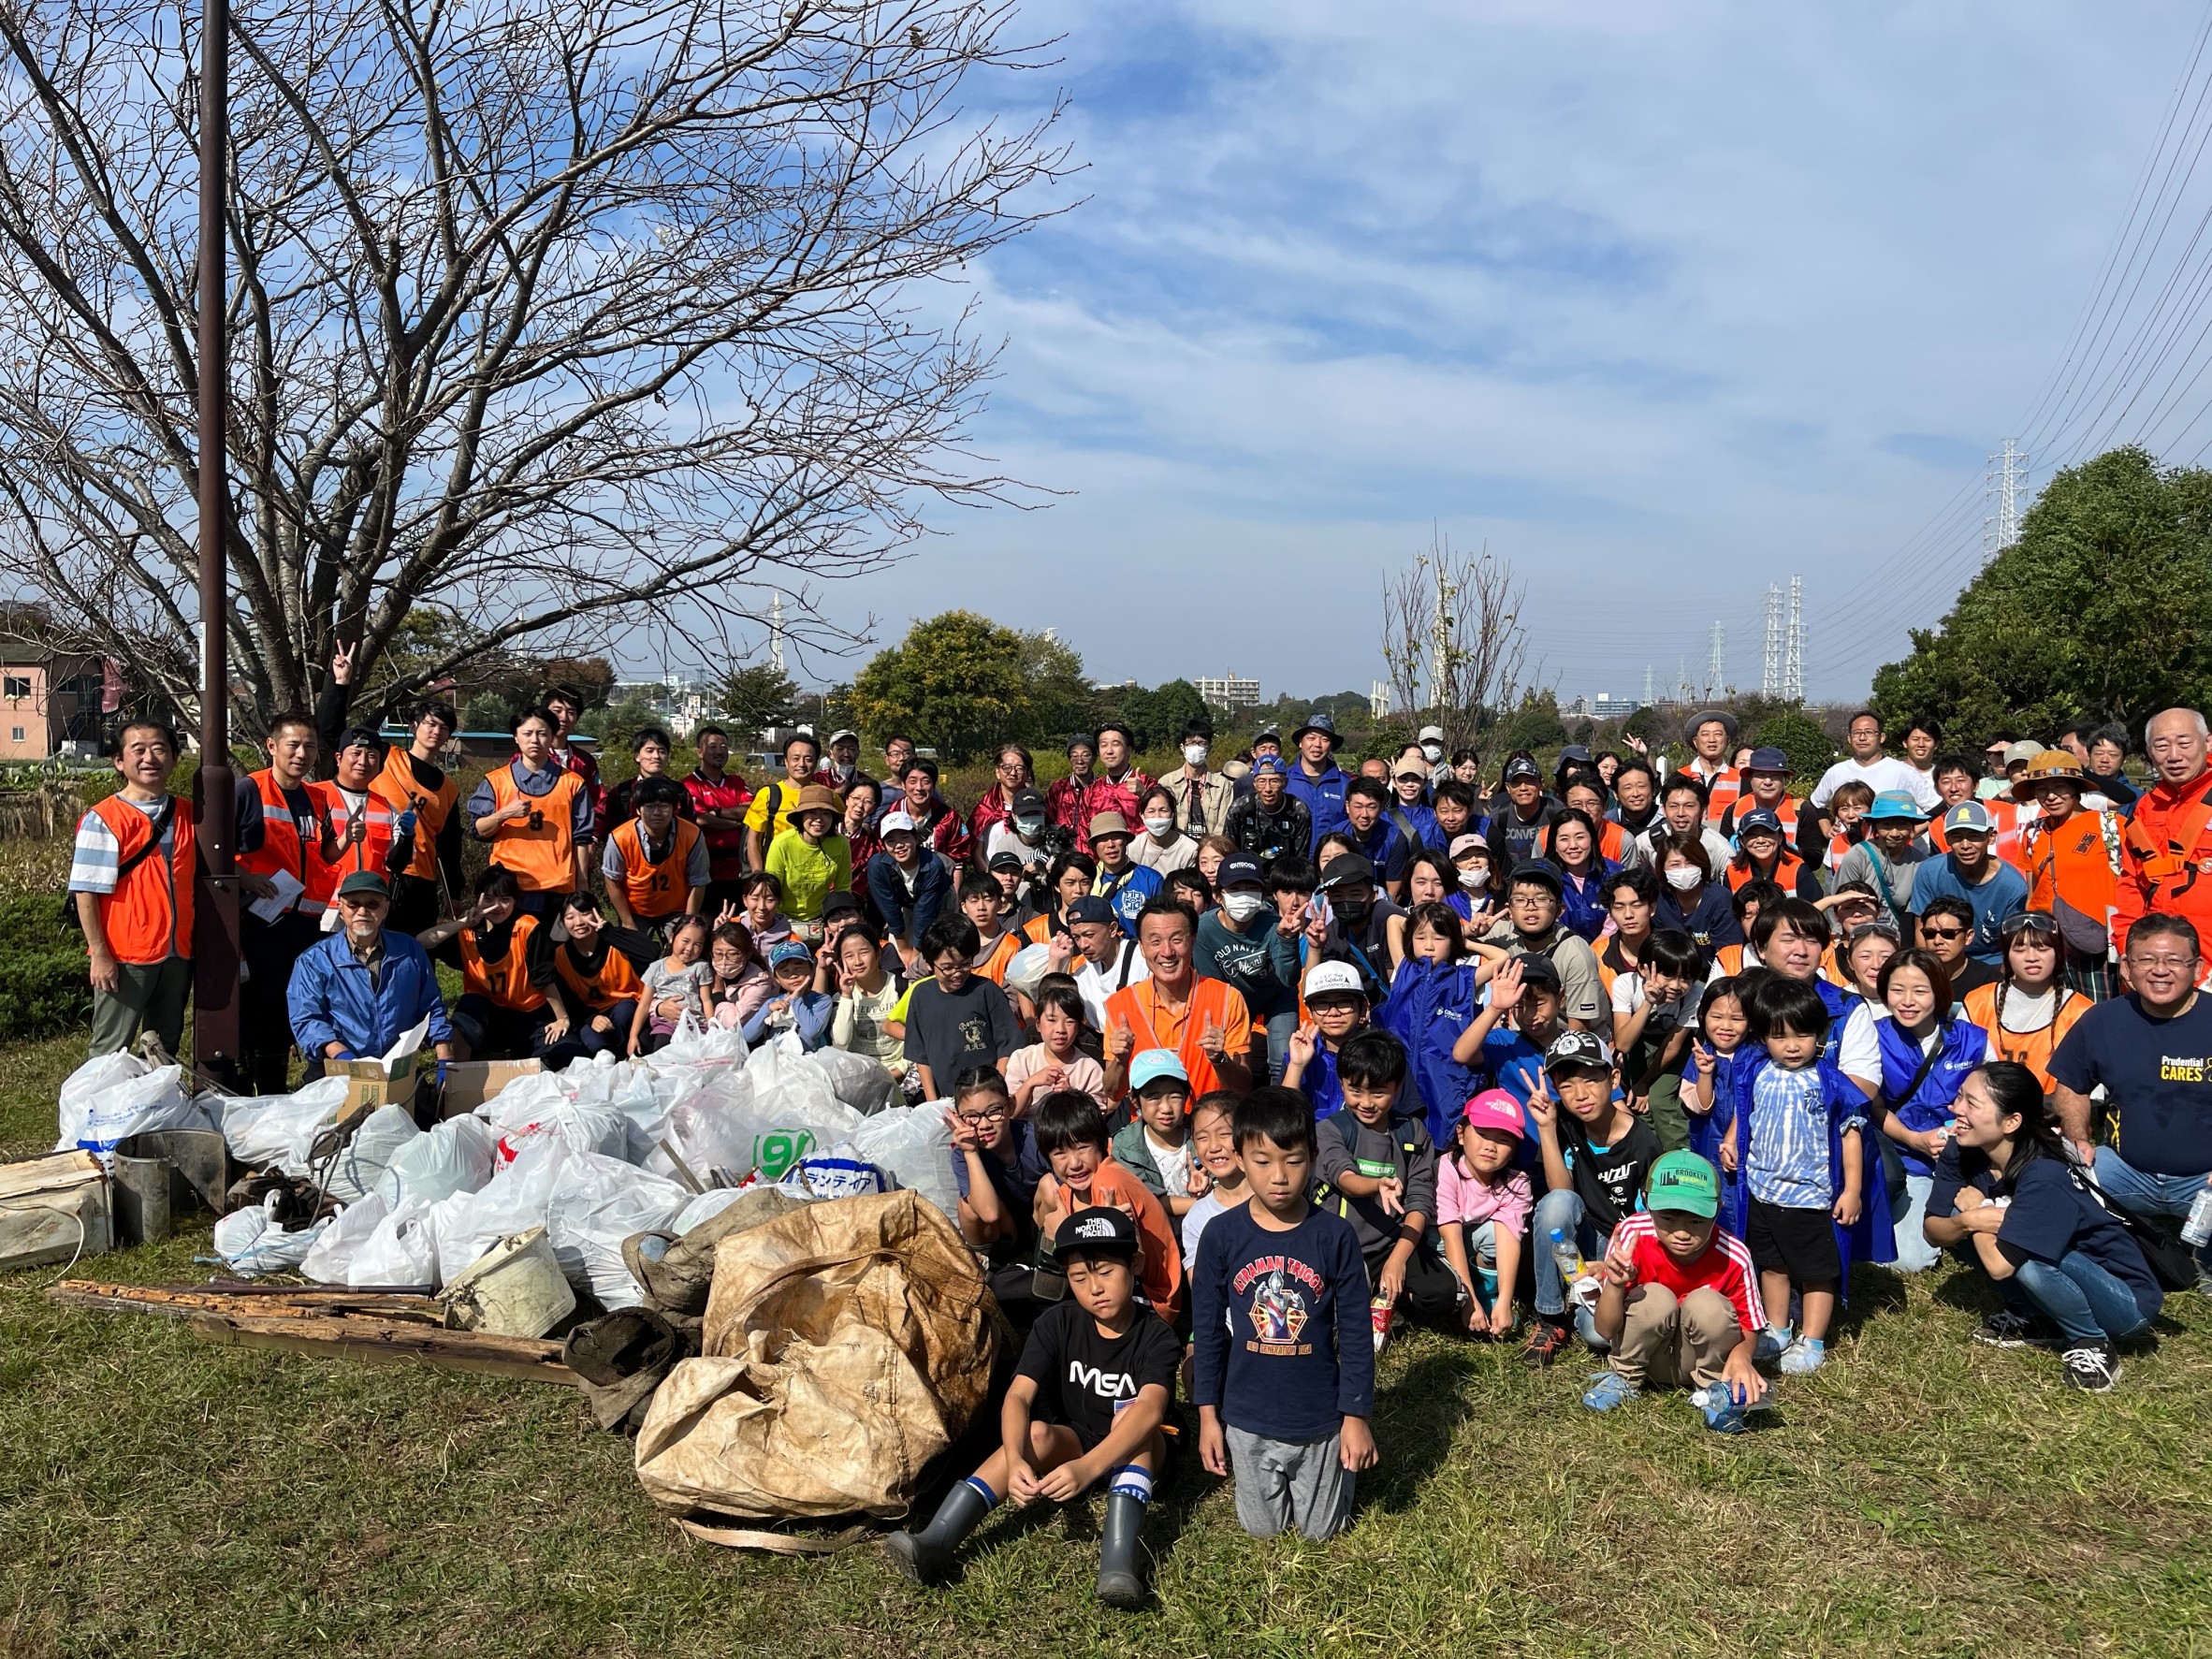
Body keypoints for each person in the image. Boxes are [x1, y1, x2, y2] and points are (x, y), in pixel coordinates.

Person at [882, 1202, 1176, 1608]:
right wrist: (1019, 1458)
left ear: (1135, 1264)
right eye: (1079, 1277)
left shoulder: (1156, 1336)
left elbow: (1151, 1410)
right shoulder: (1057, 1322)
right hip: (1079, 1439)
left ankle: (1118, 1566)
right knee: (1034, 1432)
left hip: (1140, 1455)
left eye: (1106, 1271)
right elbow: (1019, 1396)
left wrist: (1088, 1468)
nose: (1095, 1288)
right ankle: (936, 1540)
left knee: (1133, 1421)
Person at [1191, 1086, 1375, 1541]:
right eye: (1261, 1160)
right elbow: (1209, 1332)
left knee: (1321, 1534)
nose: (1278, 1177)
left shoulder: (1334, 1236)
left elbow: (1355, 1332)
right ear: (1238, 1156)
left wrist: (1356, 1418)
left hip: (1318, 1419)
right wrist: (1208, 1417)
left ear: (1313, 1157)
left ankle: (1338, 1471)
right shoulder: (1220, 1235)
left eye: (1293, 1161)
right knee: (1263, 1533)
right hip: (1247, 1417)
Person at [1924, 1062, 2161, 1392]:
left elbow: (1999, 1266)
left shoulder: (2043, 1174)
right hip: (2060, 1269)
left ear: (2011, 1121)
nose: (1955, 1109)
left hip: (2124, 1301)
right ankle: (2034, 1313)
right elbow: (1933, 1230)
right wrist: (1965, 1220)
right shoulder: (1961, 1149)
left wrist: (1978, 1212)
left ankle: (2093, 1344)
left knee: (2028, 1262)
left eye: (1971, 1103)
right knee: (1957, 1217)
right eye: (1959, 1097)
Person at [69, 718, 257, 1057]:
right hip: (126, 955)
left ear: (173, 758)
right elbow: (85, 891)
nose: (149, 758)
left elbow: (211, 865)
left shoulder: (188, 813)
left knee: (164, 1043)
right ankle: (97, 1108)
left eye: (159, 749)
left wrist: (252, 879)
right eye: (138, 750)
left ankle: (154, 1108)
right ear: (119, 761)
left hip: (177, 952)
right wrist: (99, 953)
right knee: (111, 1048)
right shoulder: (104, 818)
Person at [1732, 974, 1889, 1376]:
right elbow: (1743, 1111)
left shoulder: (1831, 1081)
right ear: (1762, 1036)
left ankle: (1814, 1339)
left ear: (1819, 1034)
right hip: (1763, 1190)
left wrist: (1852, 1189)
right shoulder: (1755, 1070)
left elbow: (1851, 1136)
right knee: (1772, 1265)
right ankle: (1778, 1328)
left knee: (1817, 1271)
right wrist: (1733, 1139)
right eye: (1779, 1036)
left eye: (1802, 1035)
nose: (1792, 1045)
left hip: (1811, 1196)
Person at [2046, 912, 2212, 1285]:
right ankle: (2111, 1250)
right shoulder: (2102, 1019)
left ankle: (2200, 1261)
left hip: (2204, 1180)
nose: (2160, 971)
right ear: (2126, 967)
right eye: (2147, 960)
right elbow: (2071, 1085)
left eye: (2174, 960)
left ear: (2198, 967)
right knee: (2054, 1178)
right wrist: (2078, 1139)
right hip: (2125, 1170)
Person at [1580, 1152, 1769, 1432]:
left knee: (1707, 1304)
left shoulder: (1735, 1256)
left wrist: (1741, 1358)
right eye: (1668, 1218)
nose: (1681, 1232)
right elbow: (1605, 1330)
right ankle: (1624, 1378)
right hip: (1645, 1357)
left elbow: (1749, 1325)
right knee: (1653, 1297)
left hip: (1704, 1362)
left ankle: (1715, 1392)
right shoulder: (1631, 1236)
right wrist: (1615, 1285)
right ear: (1646, 1204)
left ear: (1717, 1210)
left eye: (1696, 1221)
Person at [1521, 1029, 1663, 1366]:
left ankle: (1586, 1303)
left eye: (1590, 1080)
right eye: (1566, 1084)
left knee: (1598, 1335)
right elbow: (1562, 1195)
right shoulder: (1564, 1123)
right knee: (1555, 1205)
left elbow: (1648, 1227)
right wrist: (1546, 1128)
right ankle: (1550, 1318)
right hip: (1584, 1235)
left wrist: (1614, 1268)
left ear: (1613, 1078)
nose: (1580, 1094)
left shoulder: (1645, 1143)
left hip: (1622, 1250)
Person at [1312, 1029, 1461, 1339]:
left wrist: (1398, 1259)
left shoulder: (1413, 1131)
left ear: (1398, 1087)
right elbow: (1345, 1178)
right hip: (1342, 1247)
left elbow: (1420, 1201)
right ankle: (1368, 1298)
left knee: (1446, 1293)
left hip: (1393, 1241)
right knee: (1333, 1329)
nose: (1366, 1103)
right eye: (1355, 1091)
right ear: (1342, 1084)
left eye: (1378, 1093)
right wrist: (1376, 1184)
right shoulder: (1330, 1129)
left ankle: (1393, 1298)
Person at [1848, 949, 1989, 1273]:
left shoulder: (1972, 1040)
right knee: (1908, 1260)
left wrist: (1959, 1129)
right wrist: (1914, 1139)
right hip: (1903, 1158)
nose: (1907, 1001)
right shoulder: (1871, 1035)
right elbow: (1874, 1107)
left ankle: (1957, 1211)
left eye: (1920, 991)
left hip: (1960, 1156)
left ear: (1939, 992)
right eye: (1897, 990)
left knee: (1919, 1253)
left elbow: (1994, 1100)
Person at [234, 710, 327, 1089]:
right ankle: (239, 1091)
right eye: (293, 744)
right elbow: (212, 852)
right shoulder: (248, 789)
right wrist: (248, 879)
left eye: (309, 746)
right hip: (253, 918)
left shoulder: (317, 797)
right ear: (272, 746)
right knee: (248, 1009)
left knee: (280, 1009)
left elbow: (323, 854)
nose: (301, 753)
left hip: (301, 921)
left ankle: (273, 1091)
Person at [1032, 1089, 1184, 1319]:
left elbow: (1125, 1269)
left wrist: (1064, 1233)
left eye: (1082, 1147)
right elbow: (1049, 1285)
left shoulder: (1109, 1181)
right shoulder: (1066, 1192)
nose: (1074, 1163)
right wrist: (1053, 1235)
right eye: (1060, 1153)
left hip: (1152, 1301)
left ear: (1103, 1144)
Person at [286, 872, 453, 1070]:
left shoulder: (410, 951)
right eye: (353, 904)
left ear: (386, 909)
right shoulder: (314, 960)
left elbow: (432, 1007)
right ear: (340, 908)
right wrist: (342, 1056)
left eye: (372, 904)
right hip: (337, 1064)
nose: (362, 911)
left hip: (399, 1067)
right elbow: (306, 1018)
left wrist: (445, 1058)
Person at [1103, 898, 1256, 1101]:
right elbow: (1113, 1093)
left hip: (1210, 1127)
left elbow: (1243, 1089)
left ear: (1192, 941)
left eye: (1176, 939)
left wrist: (1220, 1059)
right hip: (1149, 1129)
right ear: (1141, 946)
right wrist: (1121, 1061)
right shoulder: (1120, 1005)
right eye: (1155, 941)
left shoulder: (1227, 998)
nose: (1167, 952)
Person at [2011, 749, 2124, 998]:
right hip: (2047, 940)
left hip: (2097, 942)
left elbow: (2130, 884)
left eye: (2060, 787)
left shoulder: (2111, 826)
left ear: (2076, 788)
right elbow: (2032, 890)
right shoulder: (2033, 832)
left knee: (2098, 1014)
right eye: (2041, 790)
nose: (2050, 796)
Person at [416, 869, 556, 1060]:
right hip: (488, 1019)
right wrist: (463, 923)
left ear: (516, 900)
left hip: (530, 1015)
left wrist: (563, 1018)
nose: (497, 907)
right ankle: (455, 1076)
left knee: (558, 1054)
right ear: (477, 900)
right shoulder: (468, 934)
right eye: (489, 899)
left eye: (505, 899)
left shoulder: (528, 928)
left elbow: (545, 979)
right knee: (468, 1006)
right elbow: (422, 941)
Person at [470, 706, 593, 910]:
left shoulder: (572, 783)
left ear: (553, 737)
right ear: (516, 738)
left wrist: (582, 884)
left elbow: (582, 838)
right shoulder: (496, 781)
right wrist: (506, 813)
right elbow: (478, 830)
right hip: (508, 888)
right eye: (527, 733)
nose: (534, 740)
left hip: (557, 887)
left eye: (542, 733)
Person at [1434, 1090, 1534, 1339]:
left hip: (1474, 1244)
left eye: (1503, 1139)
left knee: (1497, 1235)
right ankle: (1467, 1296)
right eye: (1482, 1134)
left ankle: (1489, 1295)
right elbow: (1450, 1235)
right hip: (1439, 1244)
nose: (1490, 1146)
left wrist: (1505, 1300)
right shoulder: (1445, 1168)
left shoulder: (1518, 1182)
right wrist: (1468, 1301)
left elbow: (1509, 1238)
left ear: (1513, 1149)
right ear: (1461, 1134)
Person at [1197, 853, 1302, 1081]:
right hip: (1231, 999)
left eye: (1251, 888)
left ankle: (1281, 1109)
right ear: (1218, 895)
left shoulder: (1275, 924)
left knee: (1283, 1061)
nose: (1243, 895)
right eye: (1235, 889)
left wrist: (1287, 940)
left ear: (1263, 895)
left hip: (1277, 997)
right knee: (1234, 1059)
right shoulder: (1203, 930)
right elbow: (1213, 986)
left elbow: (1288, 979)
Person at [1963, 912, 2088, 1091]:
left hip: (2051, 1115)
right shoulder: (1977, 1003)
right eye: (2019, 949)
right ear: (2006, 955)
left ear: (2058, 953)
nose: (2031, 957)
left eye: (2042, 948)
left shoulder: (2080, 1011)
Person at [1609, 928, 1708, 1153]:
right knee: (1638, 1106)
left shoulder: (1696, 994)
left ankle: (1679, 1155)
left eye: (1686, 978)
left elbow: (1673, 1044)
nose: (1676, 985)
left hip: (1671, 1053)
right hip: (1636, 1049)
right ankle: (1651, 1158)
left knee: (1661, 1101)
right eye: (1668, 975)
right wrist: (1647, 1003)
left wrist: (1645, 1081)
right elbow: (1623, 1043)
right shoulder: (1626, 984)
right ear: (1644, 968)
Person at [375, 695, 464, 936]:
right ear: (414, 726)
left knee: (420, 951)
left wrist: (454, 894)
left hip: (422, 880)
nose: (437, 731)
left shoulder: (449, 790)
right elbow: (339, 734)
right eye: (430, 724)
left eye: (444, 728)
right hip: (382, 870)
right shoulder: (385, 758)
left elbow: (450, 846)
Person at [1480, 862, 1608, 1029]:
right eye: (1520, 900)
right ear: (1509, 910)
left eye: (1541, 899)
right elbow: (1444, 941)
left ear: (1559, 910)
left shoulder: (1576, 954)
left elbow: (1580, 1029)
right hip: (1526, 1031)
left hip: (1571, 1039)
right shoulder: (1502, 932)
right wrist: (1471, 932)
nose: (1530, 907)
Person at [1910, 802, 2030, 967]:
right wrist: (1927, 971)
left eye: (1974, 836)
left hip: (1991, 962)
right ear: (1947, 839)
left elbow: (2013, 942)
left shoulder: (2012, 885)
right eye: (1957, 837)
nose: (1965, 845)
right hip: (1940, 959)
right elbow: (1921, 928)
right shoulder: (1930, 871)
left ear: (1991, 837)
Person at [948, 1068, 1049, 1256]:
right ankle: (992, 1264)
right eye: (972, 1117)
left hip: (1039, 1223)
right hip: (1003, 1230)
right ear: (958, 1118)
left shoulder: (1037, 1138)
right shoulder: (961, 1154)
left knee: (1051, 1186)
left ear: (1010, 1106)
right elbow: (989, 1213)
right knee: (968, 1208)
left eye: (994, 1111)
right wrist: (971, 1153)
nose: (984, 1124)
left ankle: (1046, 1257)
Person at [602, 776, 709, 939]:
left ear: (674, 808)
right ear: (638, 810)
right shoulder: (620, 837)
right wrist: (627, 922)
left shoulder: (692, 835)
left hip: (677, 909)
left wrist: (687, 924)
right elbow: (611, 880)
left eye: (664, 806)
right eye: (650, 806)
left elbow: (699, 881)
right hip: (636, 910)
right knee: (634, 956)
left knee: (685, 950)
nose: (657, 812)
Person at [1685, 976, 1753, 1237]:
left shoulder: (1756, 1056)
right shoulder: (1699, 1055)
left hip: (1747, 1150)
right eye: (1717, 1017)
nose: (1726, 1026)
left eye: (1737, 1019)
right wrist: (1704, 1073)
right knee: (1718, 1207)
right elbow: (1702, 1107)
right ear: (1703, 1016)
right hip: (1709, 1148)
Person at [543, 893, 648, 1057]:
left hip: (626, 1006)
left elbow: (650, 951)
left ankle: (625, 1056)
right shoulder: (559, 957)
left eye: (585, 914)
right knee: (595, 1045)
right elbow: (567, 998)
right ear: (563, 922)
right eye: (570, 917)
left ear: (597, 913)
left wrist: (609, 932)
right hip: (588, 1014)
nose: (578, 922)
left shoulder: (616, 943)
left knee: (623, 1014)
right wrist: (591, 1018)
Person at [1809, 710, 1941, 837]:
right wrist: (1826, 830)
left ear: (1882, 737)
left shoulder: (1903, 772)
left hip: (1885, 855)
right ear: (1849, 738)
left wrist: (1911, 833)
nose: (1862, 737)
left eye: (1869, 732)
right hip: (1841, 854)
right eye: (1856, 733)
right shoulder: (1836, 771)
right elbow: (1816, 804)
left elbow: (1937, 807)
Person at [1112, 1050, 1201, 1216]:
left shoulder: (1203, 1133)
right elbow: (1148, 1199)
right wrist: (1207, 1204)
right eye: (1154, 1097)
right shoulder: (1125, 1147)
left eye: (1175, 1096)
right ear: (1134, 1100)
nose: (1166, 1108)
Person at [678, 724, 752, 917]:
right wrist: (738, 824)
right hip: (706, 873)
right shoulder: (689, 784)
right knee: (706, 928)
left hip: (738, 872)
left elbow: (751, 810)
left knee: (738, 930)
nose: (719, 751)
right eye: (713, 746)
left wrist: (717, 813)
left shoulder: (736, 782)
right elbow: (701, 820)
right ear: (700, 752)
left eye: (724, 746)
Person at [1830, 791, 1928, 934]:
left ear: (1912, 827)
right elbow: (1839, 904)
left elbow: (1914, 915)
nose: (1895, 833)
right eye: (1887, 825)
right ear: (1875, 826)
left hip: (1897, 938)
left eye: (1902, 825)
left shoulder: (1920, 862)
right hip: (1859, 936)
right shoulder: (1858, 856)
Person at [1008, 977, 1110, 1114]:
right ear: (1038, 1024)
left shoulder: (1089, 1068)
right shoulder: (1022, 1059)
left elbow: (1096, 1120)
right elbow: (1009, 1114)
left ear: (1079, 1027)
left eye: (1069, 1022)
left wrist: (1072, 1096)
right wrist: (1029, 1084)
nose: (1060, 1029)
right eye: (1051, 1020)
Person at [762, 783, 851, 939]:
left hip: (821, 917)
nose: (819, 819)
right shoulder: (782, 843)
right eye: (812, 812)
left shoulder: (841, 843)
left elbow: (843, 888)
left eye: (826, 813)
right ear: (801, 816)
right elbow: (771, 889)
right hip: (783, 918)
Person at [866, 810, 954, 954]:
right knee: (900, 954)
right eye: (891, 841)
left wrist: (916, 952)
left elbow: (925, 910)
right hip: (907, 907)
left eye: (905, 837)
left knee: (937, 950)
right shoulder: (877, 866)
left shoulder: (933, 865)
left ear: (916, 837)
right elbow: (889, 906)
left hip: (940, 905)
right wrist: (904, 949)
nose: (899, 845)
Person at [629, 913, 717, 1055]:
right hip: (666, 1024)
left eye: (697, 944)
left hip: (695, 1024)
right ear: (671, 937)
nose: (689, 948)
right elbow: (644, 1005)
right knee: (662, 1050)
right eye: (685, 941)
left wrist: (712, 1026)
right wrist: (633, 1036)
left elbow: (706, 1000)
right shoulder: (656, 968)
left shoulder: (701, 967)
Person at [827, 922, 905, 1077]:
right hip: (860, 1075)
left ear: (878, 954)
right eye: (849, 956)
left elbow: (918, 1037)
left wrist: (900, 1069)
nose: (857, 962)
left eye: (864, 952)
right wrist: (847, 995)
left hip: (901, 1073)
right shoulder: (841, 997)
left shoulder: (901, 987)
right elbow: (841, 1042)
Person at [538, 686, 607, 846]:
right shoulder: (529, 757)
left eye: (571, 712)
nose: (564, 718)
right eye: (557, 711)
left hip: (577, 843)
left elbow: (598, 800)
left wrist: (593, 837)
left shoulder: (584, 760)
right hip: (539, 842)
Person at [1069, 894, 1152, 1026]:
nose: (1083, 944)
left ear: (1112, 929)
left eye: (1089, 935)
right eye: (1076, 937)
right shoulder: (1081, 976)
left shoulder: (1145, 961)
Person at [743, 732, 822, 870]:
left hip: (814, 874)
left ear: (816, 762)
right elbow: (753, 840)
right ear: (786, 761)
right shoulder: (769, 795)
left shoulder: (824, 795)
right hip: (776, 874)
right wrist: (759, 876)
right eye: (795, 758)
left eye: (808, 759)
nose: (801, 764)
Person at [1651, 832, 1740, 953]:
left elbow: (1729, 954)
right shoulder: (1659, 899)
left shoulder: (1720, 899)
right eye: (1675, 864)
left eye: (1690, 862)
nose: (1683, 870)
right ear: (1662, 868)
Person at [740, 938, 833, 1051]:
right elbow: (747, 1036)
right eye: (785, 971)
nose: (793, 975)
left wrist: (796, 999)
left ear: (811, 968)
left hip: (809, 1062)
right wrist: (767, 1010)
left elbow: (812, 1031)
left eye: (798, 968)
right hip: (777, 1062)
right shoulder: (773, 1003)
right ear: (776, 979)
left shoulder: (822, 1000)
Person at [1225, 754, 1313, 873]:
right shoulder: (1240, 808)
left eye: (1274, 781)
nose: (1267, 789)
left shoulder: (1298, 810)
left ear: (1285, 783)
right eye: (1261, 781)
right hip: (1246, 878)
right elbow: (1229, 854)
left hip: (1285, 878)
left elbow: (1301, 859)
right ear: (1254, 784)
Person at [1542, 808, 1619, 942]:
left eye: (1580, 837)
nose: (1573, 845)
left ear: (1592, 839)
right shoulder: (1543, 878)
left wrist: (1590, 955)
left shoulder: (1615, 874)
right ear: (1554, 844)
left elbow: (1613, 926)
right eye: (1564, 839)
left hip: (1605, 953)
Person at [1637, 774, 1735, 878]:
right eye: (1673, 806)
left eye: (1689, 806)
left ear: (1703, 810)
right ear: (1664, 810)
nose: (1681, 813)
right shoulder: (1645, 843)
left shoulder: (1721, 849)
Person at [603, 727, 697, 833]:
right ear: (637, 756)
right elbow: (611, 832)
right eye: (649, 751)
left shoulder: (680, 792)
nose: (656, 756)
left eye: (661, 751)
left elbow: (690, 829)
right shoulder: (622, 793)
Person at [1078, 723, 1154, 852]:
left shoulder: (1147, 784)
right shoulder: (1091, 791)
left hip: (1141, 862)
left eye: (1115, 744)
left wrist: (1144, 795)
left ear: (1129, 749)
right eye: (1103, 745)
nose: (1109, 751)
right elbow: (1084, 836)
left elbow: (1160, 823)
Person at [1089, 812, 1164, 939]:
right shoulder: (1087, 880)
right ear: (1095, 846)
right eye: (1102, 839)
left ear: (1126, 841)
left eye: (1116, 837)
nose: (1110, 845)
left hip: (1139, 954)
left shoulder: (1150, 879)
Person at [1285, 710, 1350, 853]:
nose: (1317, 744)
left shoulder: (1345, 784)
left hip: (1332, 863)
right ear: (1300, 742)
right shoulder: (1284, 781)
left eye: (1325, 739)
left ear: (1331, 746)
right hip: (1293, 866)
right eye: (1311, 738)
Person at [1725, 808, 1823, 902]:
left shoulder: (1799, 870)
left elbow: (1813, 911)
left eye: (1767, 833)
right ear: (1742, 842)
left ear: (1780, 837)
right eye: (1752, 835)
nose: (1760, 841)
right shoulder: (1732, 871)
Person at [888, 757, 970, 864]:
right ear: (903, 785)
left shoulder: (950, 817)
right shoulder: (890, 817)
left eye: (925, 781)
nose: (919, 787)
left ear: (934, 785)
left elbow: (958, 860)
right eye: (912, 781)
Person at [1163, 719, 1236, 837]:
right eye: (1191, 743)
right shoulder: (1167, 783)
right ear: (1182, 747)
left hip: (1211, 850)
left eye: (1202, 743)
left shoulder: (1223, 786)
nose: (1196, 748)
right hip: (1178, 850)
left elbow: (1223, 825)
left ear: (1209, 748)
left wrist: (1210, 850)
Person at [966, 743, 1032, 856]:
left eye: (1019, 768)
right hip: (990, 872)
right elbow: (977, 854)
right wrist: (988, 874)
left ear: (1027, 773)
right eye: (1006, 767)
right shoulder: (985, 809)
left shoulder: (1036, 807)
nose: (1013, 773)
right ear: (997, 772)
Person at [709, 920, 775, 1035]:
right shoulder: (704, 970)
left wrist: (718, 995)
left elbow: (735, 1023)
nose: (724, 961)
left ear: (747, 954)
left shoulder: (760, 982)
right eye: (719, 953)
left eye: (733, 954)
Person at [983, 786, 1056, 885]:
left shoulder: (1058, 836)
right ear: (1014, 816)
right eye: (1025, 814)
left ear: (1044, 814)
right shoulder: (1006, 844)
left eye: (1035, 813)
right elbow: (1002, 881)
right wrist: (1023, 872)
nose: (1030, 819)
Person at [1128, 783, 1200, 875]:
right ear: (1142, 816)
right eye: (1151, 811)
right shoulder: (1132, 847)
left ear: (1172, 814)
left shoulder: (1190, 850)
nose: (1157, 816)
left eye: (1163, 810)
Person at [1045, 735, 1099, 842]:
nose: (1080, 761)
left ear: (1094, 758)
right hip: (1063, 852)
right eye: (1074, 756)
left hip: (1094, 851)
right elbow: (1048, 821)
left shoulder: (1102, 789)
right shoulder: (1058, 788)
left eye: (1085, 755)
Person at [2085, 723, 2140, 808]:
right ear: (2089, 755)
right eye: (2099, 754)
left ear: (2123, 759)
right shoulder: (2076, 789)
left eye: (2113, 755)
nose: (2104, 760)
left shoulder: (2138, 797)